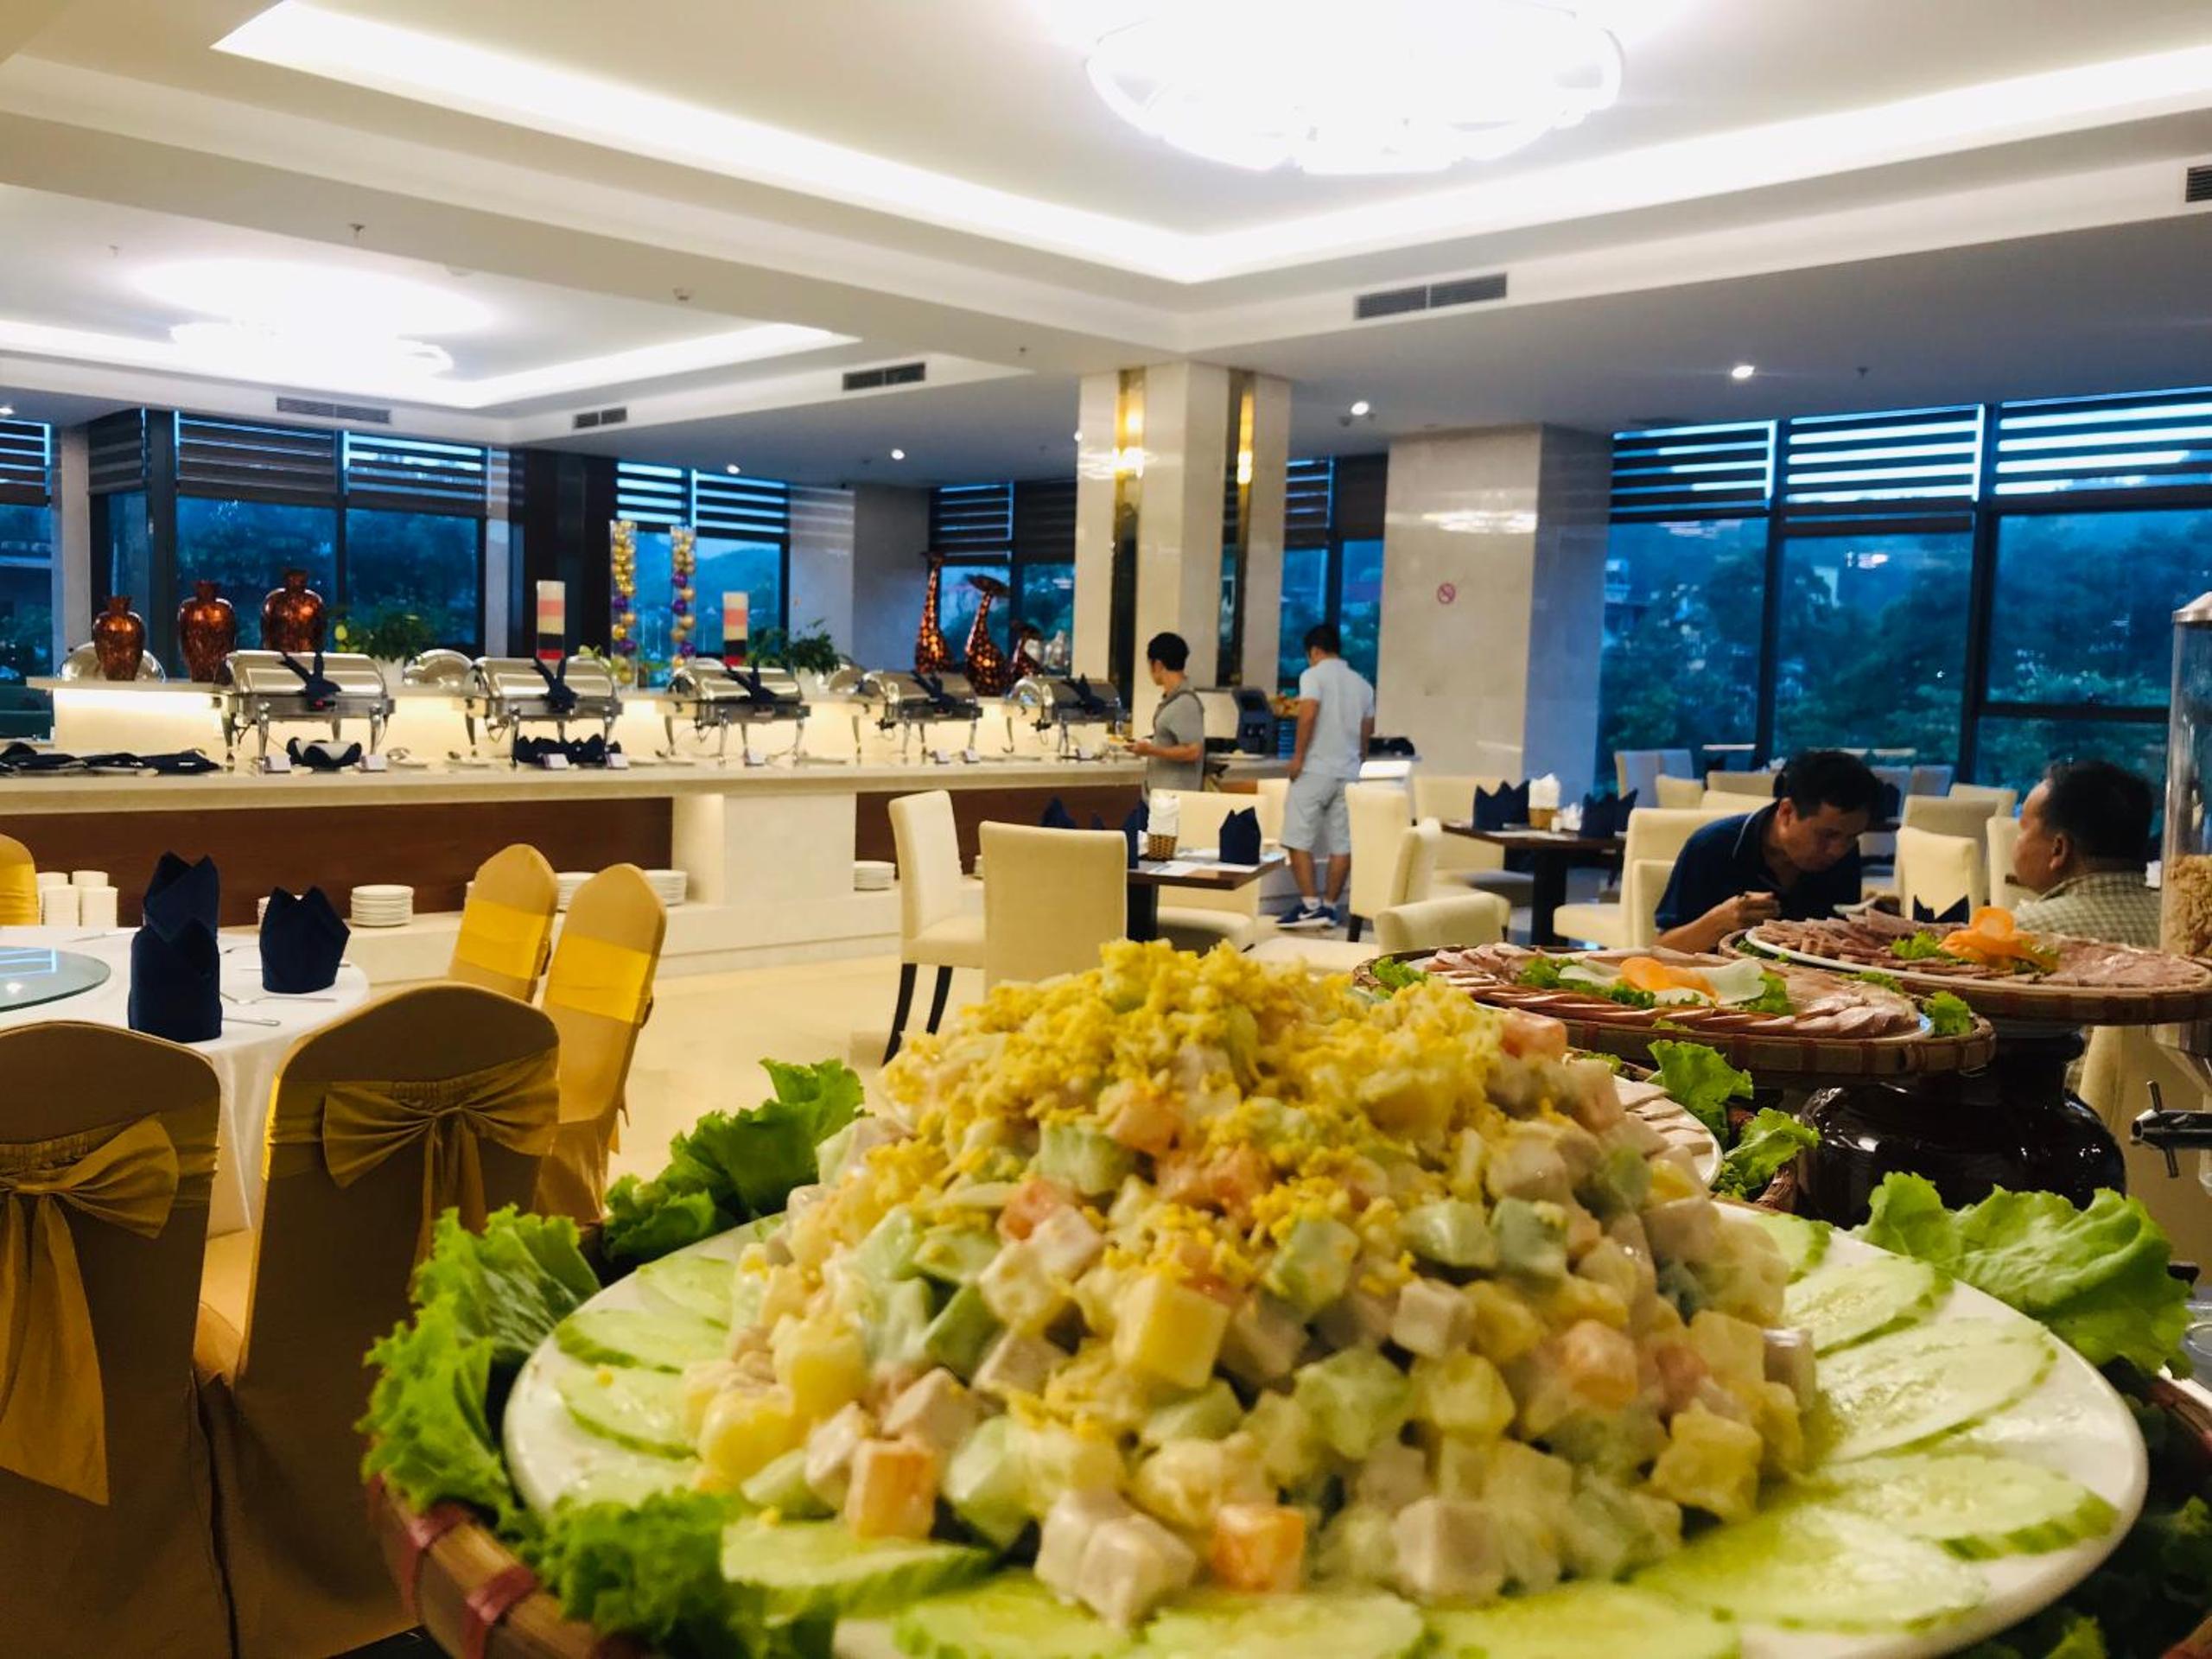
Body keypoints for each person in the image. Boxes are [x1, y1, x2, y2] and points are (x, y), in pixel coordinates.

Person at [1653, 749, 1879, 953]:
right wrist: (1718, 922)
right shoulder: (1712, 848)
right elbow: (1663, 950)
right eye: (1827, 835)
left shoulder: (1846, 855)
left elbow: (1840, 946)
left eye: (1852, 837)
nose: (1838, 851)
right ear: (1787, 812)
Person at [1279, 622, 1375, 931]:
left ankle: (1310, 906)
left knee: (1296, 837)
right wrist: (1359, 759)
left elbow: (1308, 714)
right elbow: (1367, 729)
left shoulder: (1313, 676)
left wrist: (1297, 757)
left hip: (1315, 769)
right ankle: (1331, 907)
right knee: (1342, 843)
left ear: (1315, 651)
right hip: (1348, 772)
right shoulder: (1363, 685)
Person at [2012, 760, 2160, 946]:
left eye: (2023, 828)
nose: (2016, 841)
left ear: (2059, 849)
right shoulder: (2180, 927)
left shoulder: (2016, 933)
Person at [1128, 632, 1206, 796]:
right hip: (1159, 797)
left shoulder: (1185, 703)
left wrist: (1151, 750)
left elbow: (1193, 751)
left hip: (1173, 800)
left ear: (1157, 665)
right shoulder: (1172, 700)